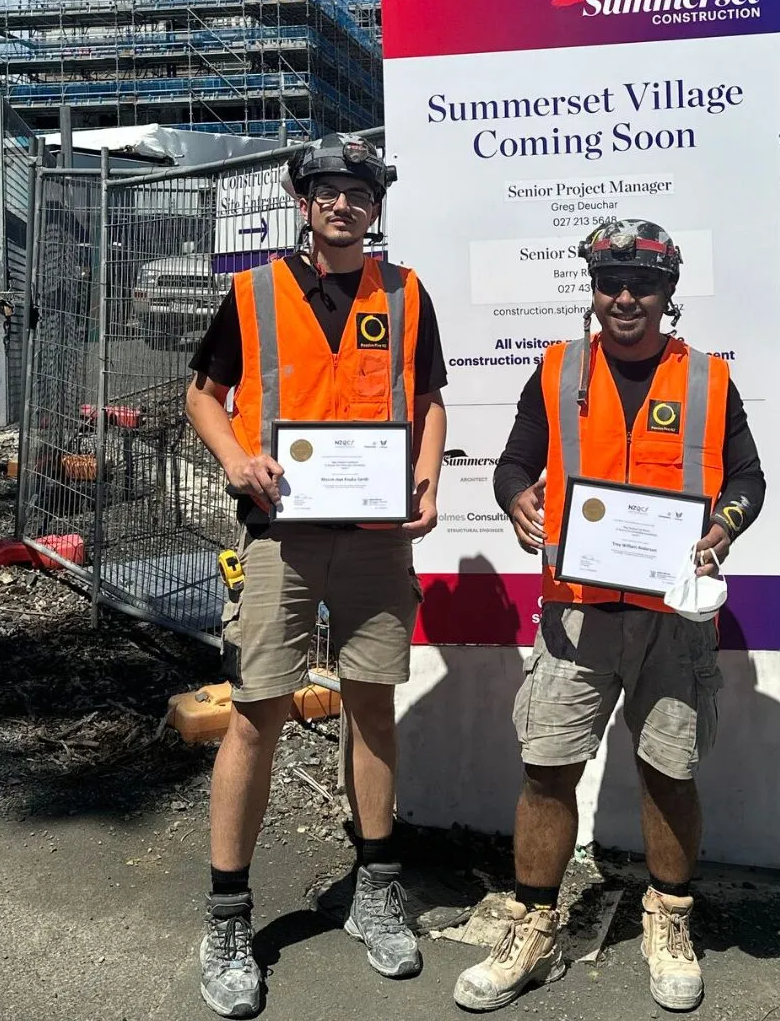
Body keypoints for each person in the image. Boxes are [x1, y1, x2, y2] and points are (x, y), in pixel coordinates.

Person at [454, 219, 766, 1014]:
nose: (625, 297)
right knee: (548, 769)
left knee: (670, 768)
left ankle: (669, 920)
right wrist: (514, 499)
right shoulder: (557, 370)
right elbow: (516, 461)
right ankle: (531, 925)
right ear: (592, 289)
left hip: (672, 615)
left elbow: (748, 478)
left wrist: (723, 525)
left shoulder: (706, 379)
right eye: (609, 281)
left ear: (668, 292)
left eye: (643, 284)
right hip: (576, 612)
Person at [185, 133, 448, 1018]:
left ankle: (376, 887)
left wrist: (430, 477)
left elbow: (429, 397)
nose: (345, 204)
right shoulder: (253, 294)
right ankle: (228, 914)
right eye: (329, 190)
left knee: (372, 704)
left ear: (376, 206)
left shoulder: (406, 294)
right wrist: (234, 458)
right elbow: (203, 395)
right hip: (280, 536)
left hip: (375, 535)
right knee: (256, 715)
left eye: (360, 192)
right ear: (304, 201)